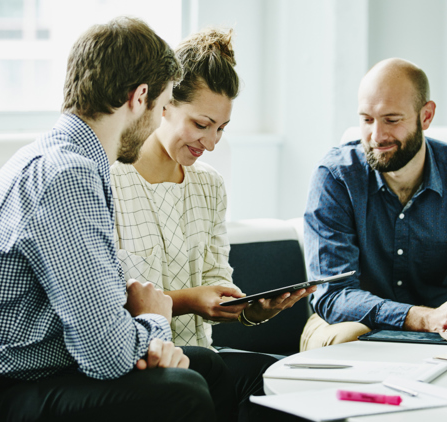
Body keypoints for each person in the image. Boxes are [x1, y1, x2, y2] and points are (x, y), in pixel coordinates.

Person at [0, 17, 218, 422]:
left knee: (208, 369)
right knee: (183, 392)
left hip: (14, 378)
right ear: (139, 97)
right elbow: (106, 355)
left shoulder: (65, 158)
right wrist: (154, 321)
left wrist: (142, 329)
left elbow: (99, 329)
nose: (158, 121)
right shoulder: (67, 175)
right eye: (162, 105)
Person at [110, 28, 314, 421]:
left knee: (287, 379)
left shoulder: (209, 185)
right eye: (202, 124)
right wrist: (189, 299)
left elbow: (217, 281)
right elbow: (109, 303)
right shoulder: (111, 181)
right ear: (164, 105)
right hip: (147, 362)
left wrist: (252, 309)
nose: (213, 142)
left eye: (221, 128)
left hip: (206, 359)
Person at [300, 58, 447, 351]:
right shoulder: (335, 177)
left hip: (443, 324)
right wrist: (421, 317)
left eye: (392, 120)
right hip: (349, 323)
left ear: (426, 116)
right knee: (350, 336)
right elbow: (333, 295)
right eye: (367, 119)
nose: (376, 136)